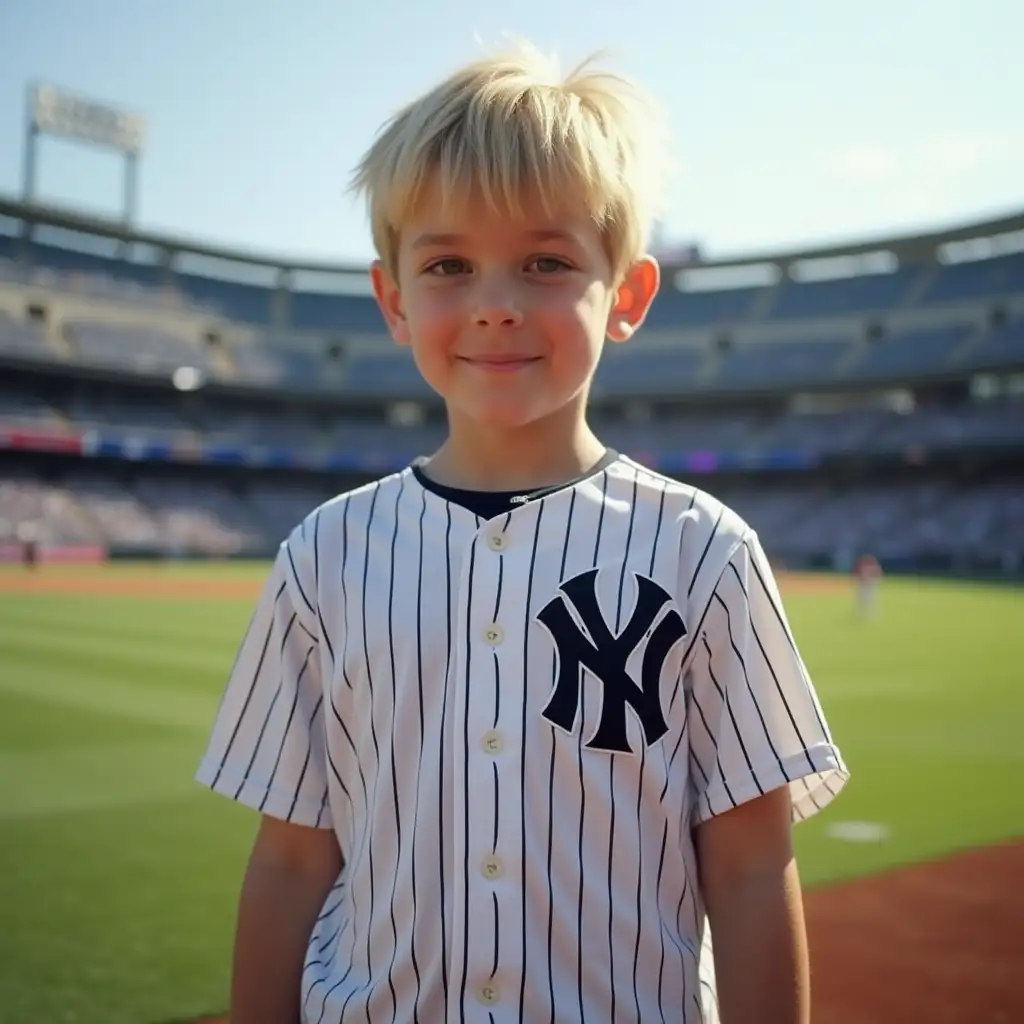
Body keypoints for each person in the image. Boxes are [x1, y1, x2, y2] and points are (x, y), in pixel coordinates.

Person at [196, 38, 849, 1024]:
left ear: (624, 294)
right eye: (449, 264)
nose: (495, 307)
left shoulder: (704, 554)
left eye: (546, 262)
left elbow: (752, 867)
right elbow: (291, 859)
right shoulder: (322, 558)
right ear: (392, 299)